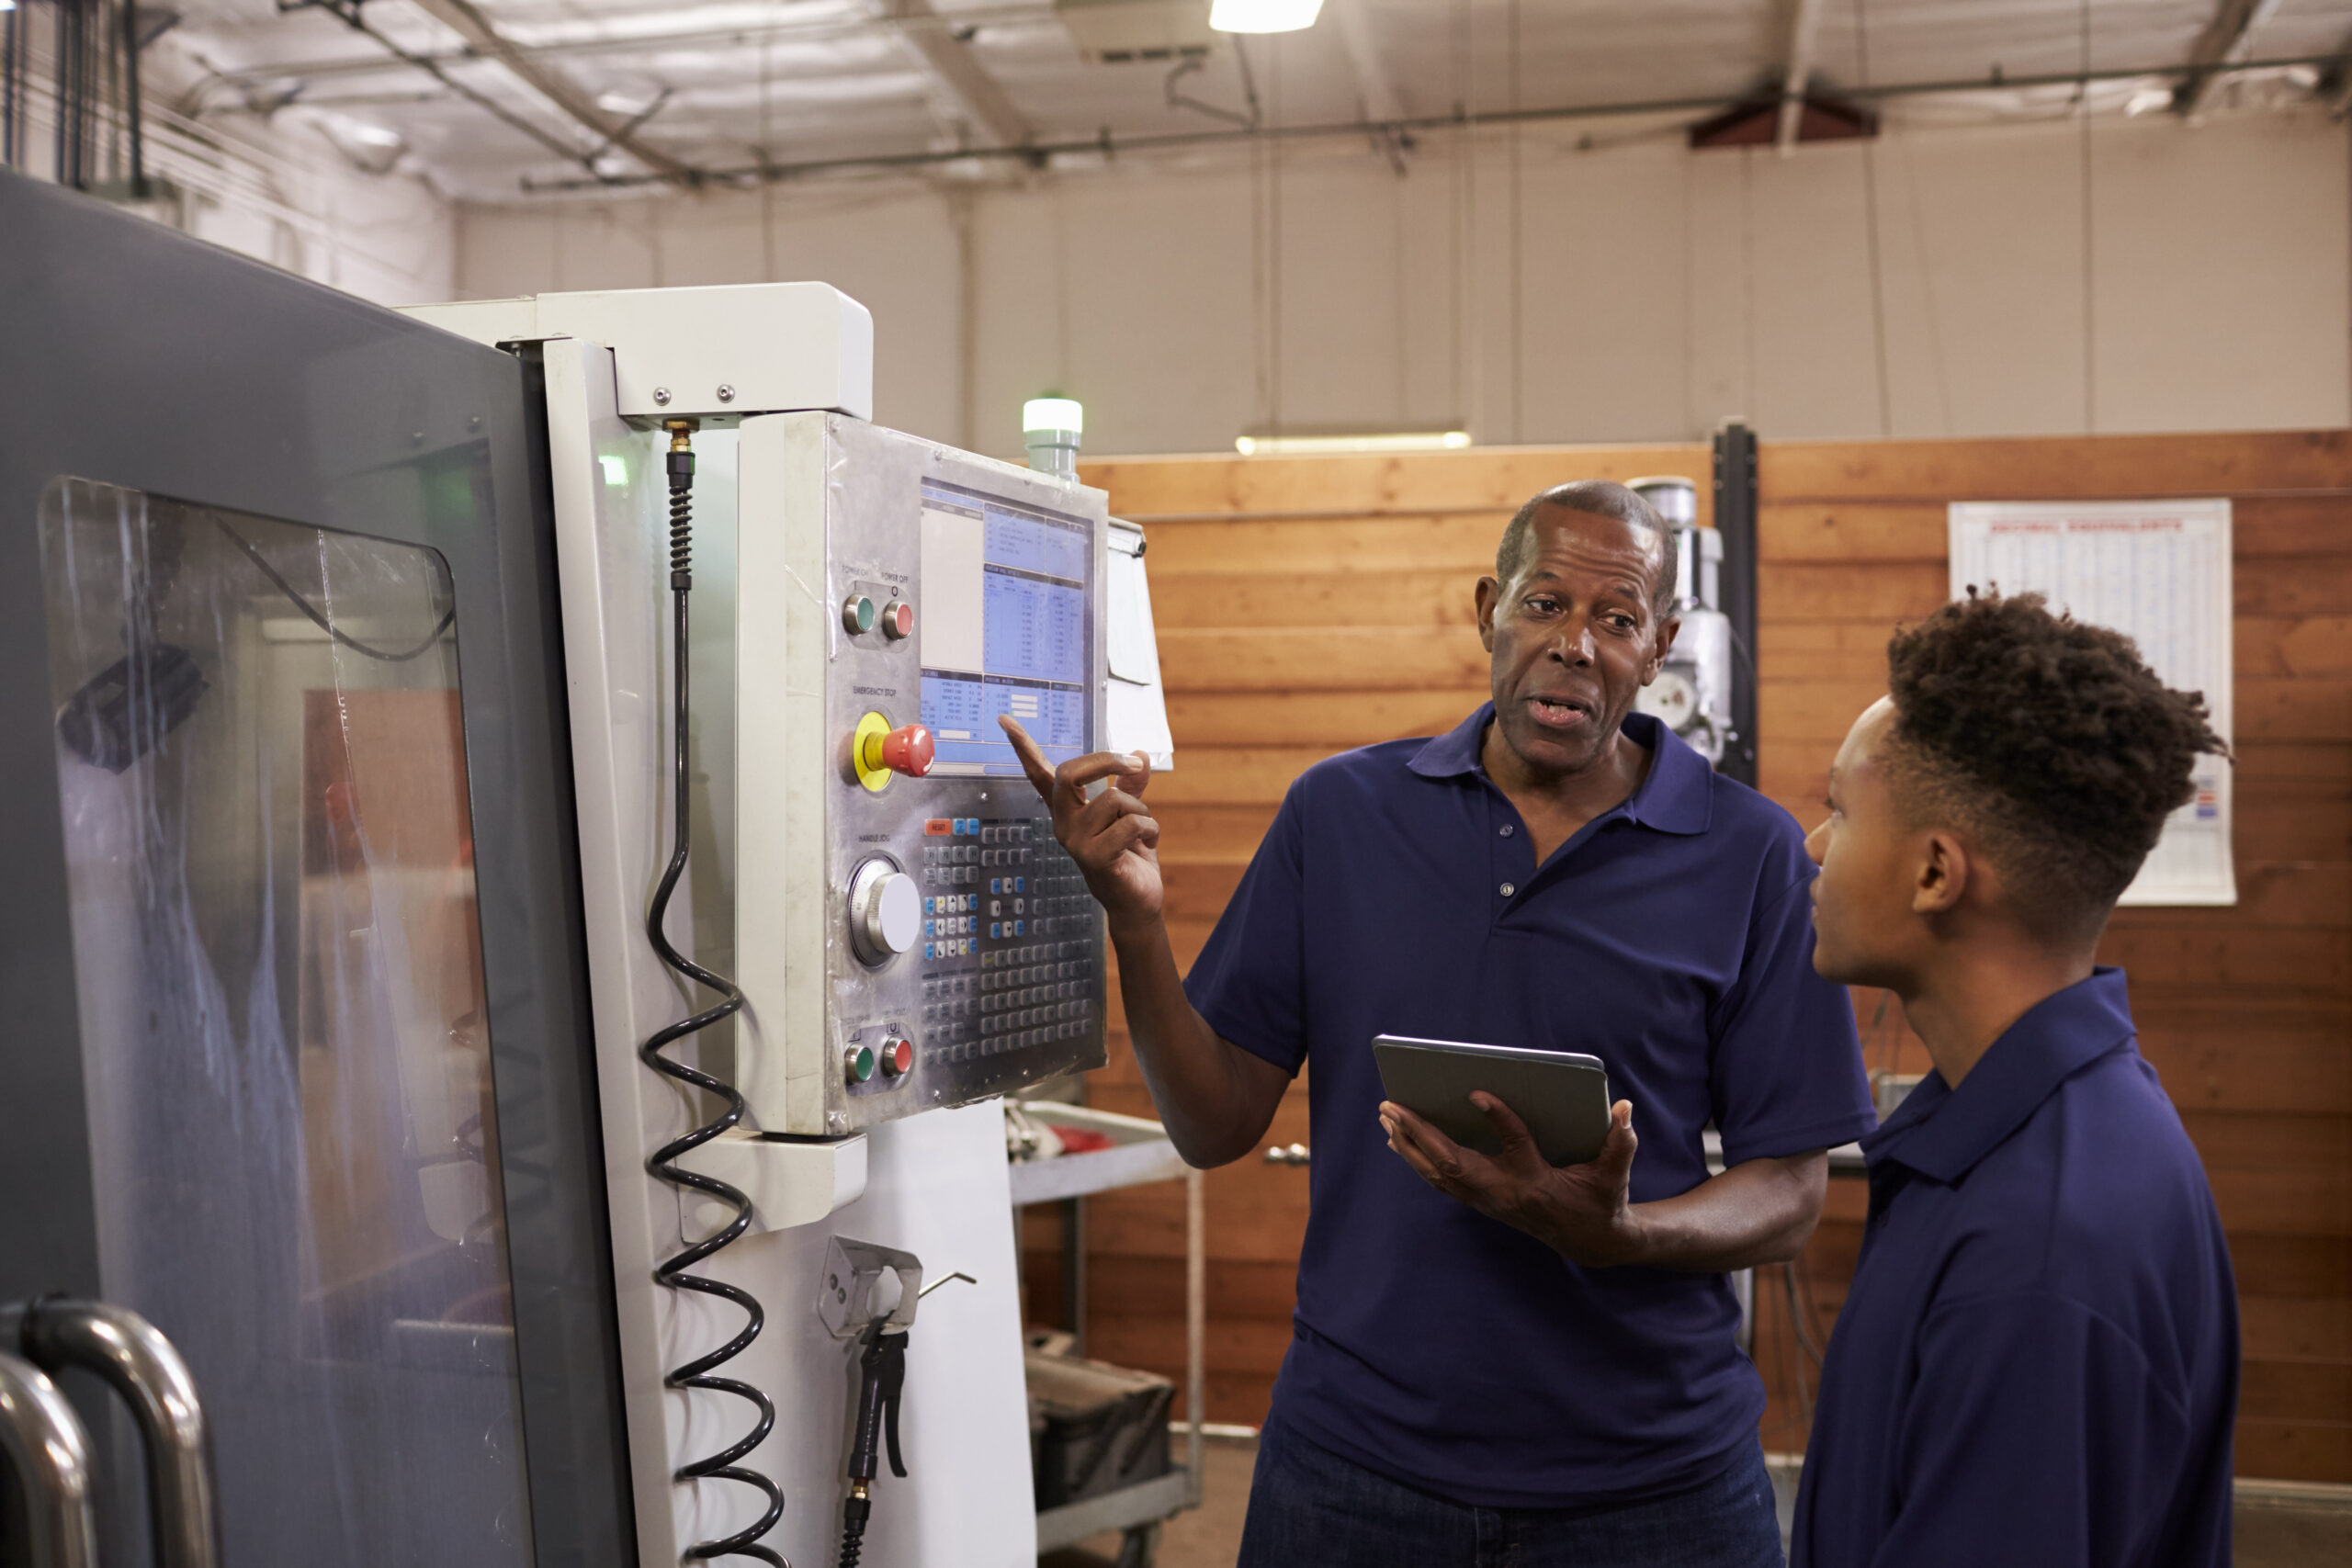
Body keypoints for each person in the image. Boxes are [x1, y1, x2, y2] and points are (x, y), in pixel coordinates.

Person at [1002, 480, 1875, 1566]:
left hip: (1654, 1488)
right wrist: (1133, 925)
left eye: (1614, 619)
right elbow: (1212, 1124)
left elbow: (1790, 1195)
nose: (1572, 644)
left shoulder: (1748, 855)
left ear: (1658, 648)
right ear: (1486, 612)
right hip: (1352, 1472)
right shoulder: (1342, 813)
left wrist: (1620, 1237)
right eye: (1543, 602)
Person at [1792, 591, 2239, 1567]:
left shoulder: (2037, 1255)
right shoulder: (2054, 1130)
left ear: (1934, 874)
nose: (1814, 853)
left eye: (1837, 813)